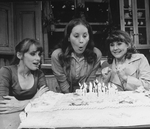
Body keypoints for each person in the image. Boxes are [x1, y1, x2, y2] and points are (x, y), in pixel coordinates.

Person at [51, 18, 102, 93]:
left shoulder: (96, 54)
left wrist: (82, 96)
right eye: (76, 36)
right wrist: (72, 98)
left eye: (84, 36)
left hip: (85, 95)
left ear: (89, 37)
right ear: (68, 38)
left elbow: (90, 80)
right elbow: (63, 83)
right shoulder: (57, 55)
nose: (81, 41)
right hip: (64, 96)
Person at [0, 38, 49, 114]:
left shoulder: (39, 74)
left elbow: (47, 100)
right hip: (8, 117)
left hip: (30, 116)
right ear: (19, 55)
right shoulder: (6, 72)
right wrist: (34, 99)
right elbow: (2, 105)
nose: (38, 58)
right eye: (33, 54)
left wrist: (21, 105)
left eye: (39, 54)